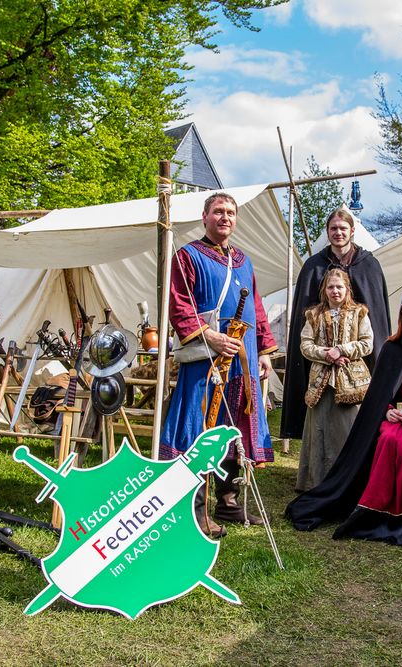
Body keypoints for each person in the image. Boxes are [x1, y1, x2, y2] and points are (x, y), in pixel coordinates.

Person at [285, 287, 402, 545]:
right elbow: (382, 393)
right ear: (401, 316)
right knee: (390, 439)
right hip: (399, 416)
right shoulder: (392, 348)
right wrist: (389, 412)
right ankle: (378, 508)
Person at [160, 192, 278, 538]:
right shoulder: (188, 256)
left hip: (243, 362)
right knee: (200, 430)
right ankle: (195, 509)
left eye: (230, 212)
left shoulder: (245, 261)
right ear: (205, 216)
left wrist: (265, 352)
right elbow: (179, 305)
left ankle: (228, 502)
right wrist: (210, 336)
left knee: (235, 428)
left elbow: (256, 308)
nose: (225, 217)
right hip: (206, 362)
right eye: (218, 212)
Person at [281, 205, 390, 442]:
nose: (338, 233)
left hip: (359, 363)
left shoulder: (369, 264)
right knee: (323, 423)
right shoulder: (314, 266)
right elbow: (305, 319)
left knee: (356, 421)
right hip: (321, 363)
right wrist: (326, 353)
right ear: (327, 231)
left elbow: (377, 321)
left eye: (343, 228)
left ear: (352, 231)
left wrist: (347, 351)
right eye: (333, 228)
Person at [296, 268, 373, 492]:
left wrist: (341, 350)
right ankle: (316, 483)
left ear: (347, 289)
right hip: (321, 381)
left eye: (339, 287)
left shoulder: (359, 313)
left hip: (351, 381)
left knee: (348, 431)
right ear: (324, 290)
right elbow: (305, 345)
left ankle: (349, 484)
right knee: (318, 432)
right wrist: (326, 355)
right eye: (331, 287)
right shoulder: (314, 315)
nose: (335, 291)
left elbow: (367, 343)